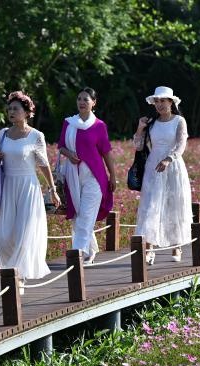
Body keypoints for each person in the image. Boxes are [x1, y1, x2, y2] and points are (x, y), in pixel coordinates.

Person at [0, 91, 57, 289]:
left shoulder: (36, 136)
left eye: (15, 109)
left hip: (28, 188)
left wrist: (53, 189)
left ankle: (19, 277)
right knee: (3, 235)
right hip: (7, 187)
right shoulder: (2, 134)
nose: (11, 112)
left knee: (25, 233)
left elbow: (44, 165)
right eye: (9, 109)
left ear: (26, 112)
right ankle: (11, 267)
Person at [133, 86, 191, 264]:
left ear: (171, 102)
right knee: (151, 204)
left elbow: (181, 145)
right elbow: (138, 146)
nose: (159, 104)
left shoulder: (179, 121)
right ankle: (149, 248)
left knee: (174, 204)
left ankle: (177, 245)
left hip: (173, 167)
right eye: (156, 101)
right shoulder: (151, 122)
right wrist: (140, 128)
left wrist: (169, 159)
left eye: (162, 101)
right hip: (153, 166)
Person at [58, 87, 115, 265]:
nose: (82, 102)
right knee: (78, 215)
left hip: (95, 178)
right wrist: (69, 155)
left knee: (86, 215)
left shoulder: (99, 126)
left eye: (86, 99)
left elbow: (106, 153)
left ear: (93, 103)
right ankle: (91, 249)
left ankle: (78, 254)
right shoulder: (69, 123)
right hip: (72, 176)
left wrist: (113, 176)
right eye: (79, 99)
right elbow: (61, 146)